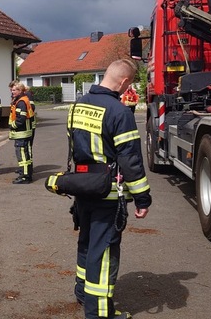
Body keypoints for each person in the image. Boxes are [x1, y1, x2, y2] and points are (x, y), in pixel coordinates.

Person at [69, 59, 151, 319]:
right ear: (125, 82)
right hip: (108, 193)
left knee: (86, 241)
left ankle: (82, 293)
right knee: (103, 254)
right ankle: (99, 314)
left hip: (83, 186)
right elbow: (130, 161)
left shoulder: (77, 105)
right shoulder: (119, 112)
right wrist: (142, 198)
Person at [8, 81, 34, 184]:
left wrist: (12, 126)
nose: (12, 92)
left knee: (22, 156)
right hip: (24, 132)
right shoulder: (21, 100)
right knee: (25, 155)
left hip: (22, 133)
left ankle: (25, 176)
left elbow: (21, 119)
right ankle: (26, 174)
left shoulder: (21, 102)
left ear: (19, 91)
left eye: (14, 90)